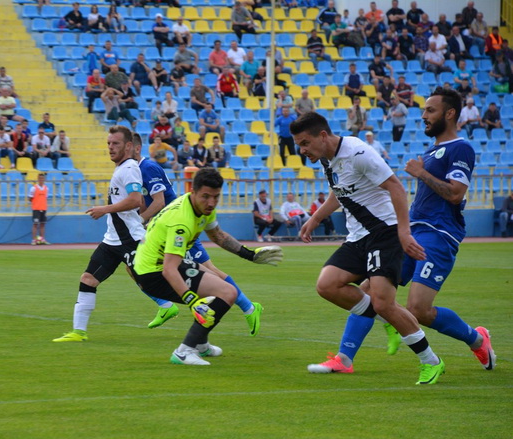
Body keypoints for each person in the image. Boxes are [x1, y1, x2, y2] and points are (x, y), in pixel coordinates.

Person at [290, 111, 446, 384]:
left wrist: (404, 232)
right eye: (299, 145)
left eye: (305, 143)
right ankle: (387, 320)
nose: (302, 151)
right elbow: (339, 193)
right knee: (327, 285)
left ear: (323, 136)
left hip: (384, 233)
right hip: (357, 237)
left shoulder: (359, 153)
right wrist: (314, 218)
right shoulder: (327, 159)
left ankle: (430, 361)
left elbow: (397, 188)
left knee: (384, 302)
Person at [380, 86, 494, 370]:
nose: (424, 116)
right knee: (374, 290)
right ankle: (344, 358)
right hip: (414, 233)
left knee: (418, 309)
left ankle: (477, 339)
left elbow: (455, 193)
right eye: (423, 111)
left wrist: (421, 173)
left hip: (439, 235)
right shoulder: (432, 151)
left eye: (430, 110)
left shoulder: (461, 148)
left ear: (450, 113)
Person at [132, 167, 283, 365]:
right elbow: (169, 269)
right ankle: (184, 351)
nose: (211, 203)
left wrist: (250, 255)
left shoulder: (201, 206)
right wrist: (192, 300)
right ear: (193, 191)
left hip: (158, 265)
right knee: (227, 293)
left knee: (219, 287)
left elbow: (218, 236)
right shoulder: (182, 222)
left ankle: (201, 345)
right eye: (206, 196)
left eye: (216, 197)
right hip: (153, 273)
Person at [133, 134, 267, 335]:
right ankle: (187, 318)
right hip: (172, 226)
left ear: (133, 148)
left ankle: (243, 308)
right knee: (205, 276)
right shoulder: (131, 171)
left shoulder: (148, 168)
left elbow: (160, 201)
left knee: (210, 274)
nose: (112, 151)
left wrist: (142, 220)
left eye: (118, 145)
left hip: (180, 227)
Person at [52, 126, 145, 343]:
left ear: (129, 146)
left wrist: (104, 209)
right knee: (88, 279)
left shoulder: (130, 168)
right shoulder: (121, 168)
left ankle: (201, 310)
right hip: (112, 240)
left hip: (131, 239)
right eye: (109, 144)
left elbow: (135, 200)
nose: (111, 148)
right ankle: (79, 331)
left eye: (116, 144)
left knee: (158, 284)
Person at [29, 173, 50, 245]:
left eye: (42, 178)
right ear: (38, 179)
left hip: (43, 208)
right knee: (35, 224)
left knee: (42, 224)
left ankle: (42, 239)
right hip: (36, 209)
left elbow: (45, 197)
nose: (41, 180)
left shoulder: (46, 188)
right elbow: (30, 198)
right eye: (40, 178)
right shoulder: (33, 188)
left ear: (44, 179)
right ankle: (34, 240)